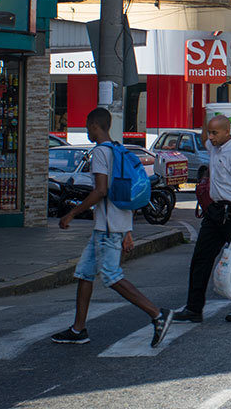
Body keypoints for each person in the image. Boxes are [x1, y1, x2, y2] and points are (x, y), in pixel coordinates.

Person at [51, 108, 173, 347]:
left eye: (87, 126)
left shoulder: (99, 153)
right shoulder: (119, 149)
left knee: (111, 276)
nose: (87, 131)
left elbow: (101, 191)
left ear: (95, 125)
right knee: (84, 273)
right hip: (108, 226)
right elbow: (124, 193)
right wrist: (127, 230)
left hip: (107, 229)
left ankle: (157, 314)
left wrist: (72, 214)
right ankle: (78, 329)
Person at [174, 115, 231, 323]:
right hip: (215, 210)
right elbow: (204, 136)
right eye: (210, 132)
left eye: (215, 133)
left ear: (227, 132)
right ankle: (194, 308)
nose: (210, 137)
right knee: (200, 258)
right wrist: (207, 117)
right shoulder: (215, 147)